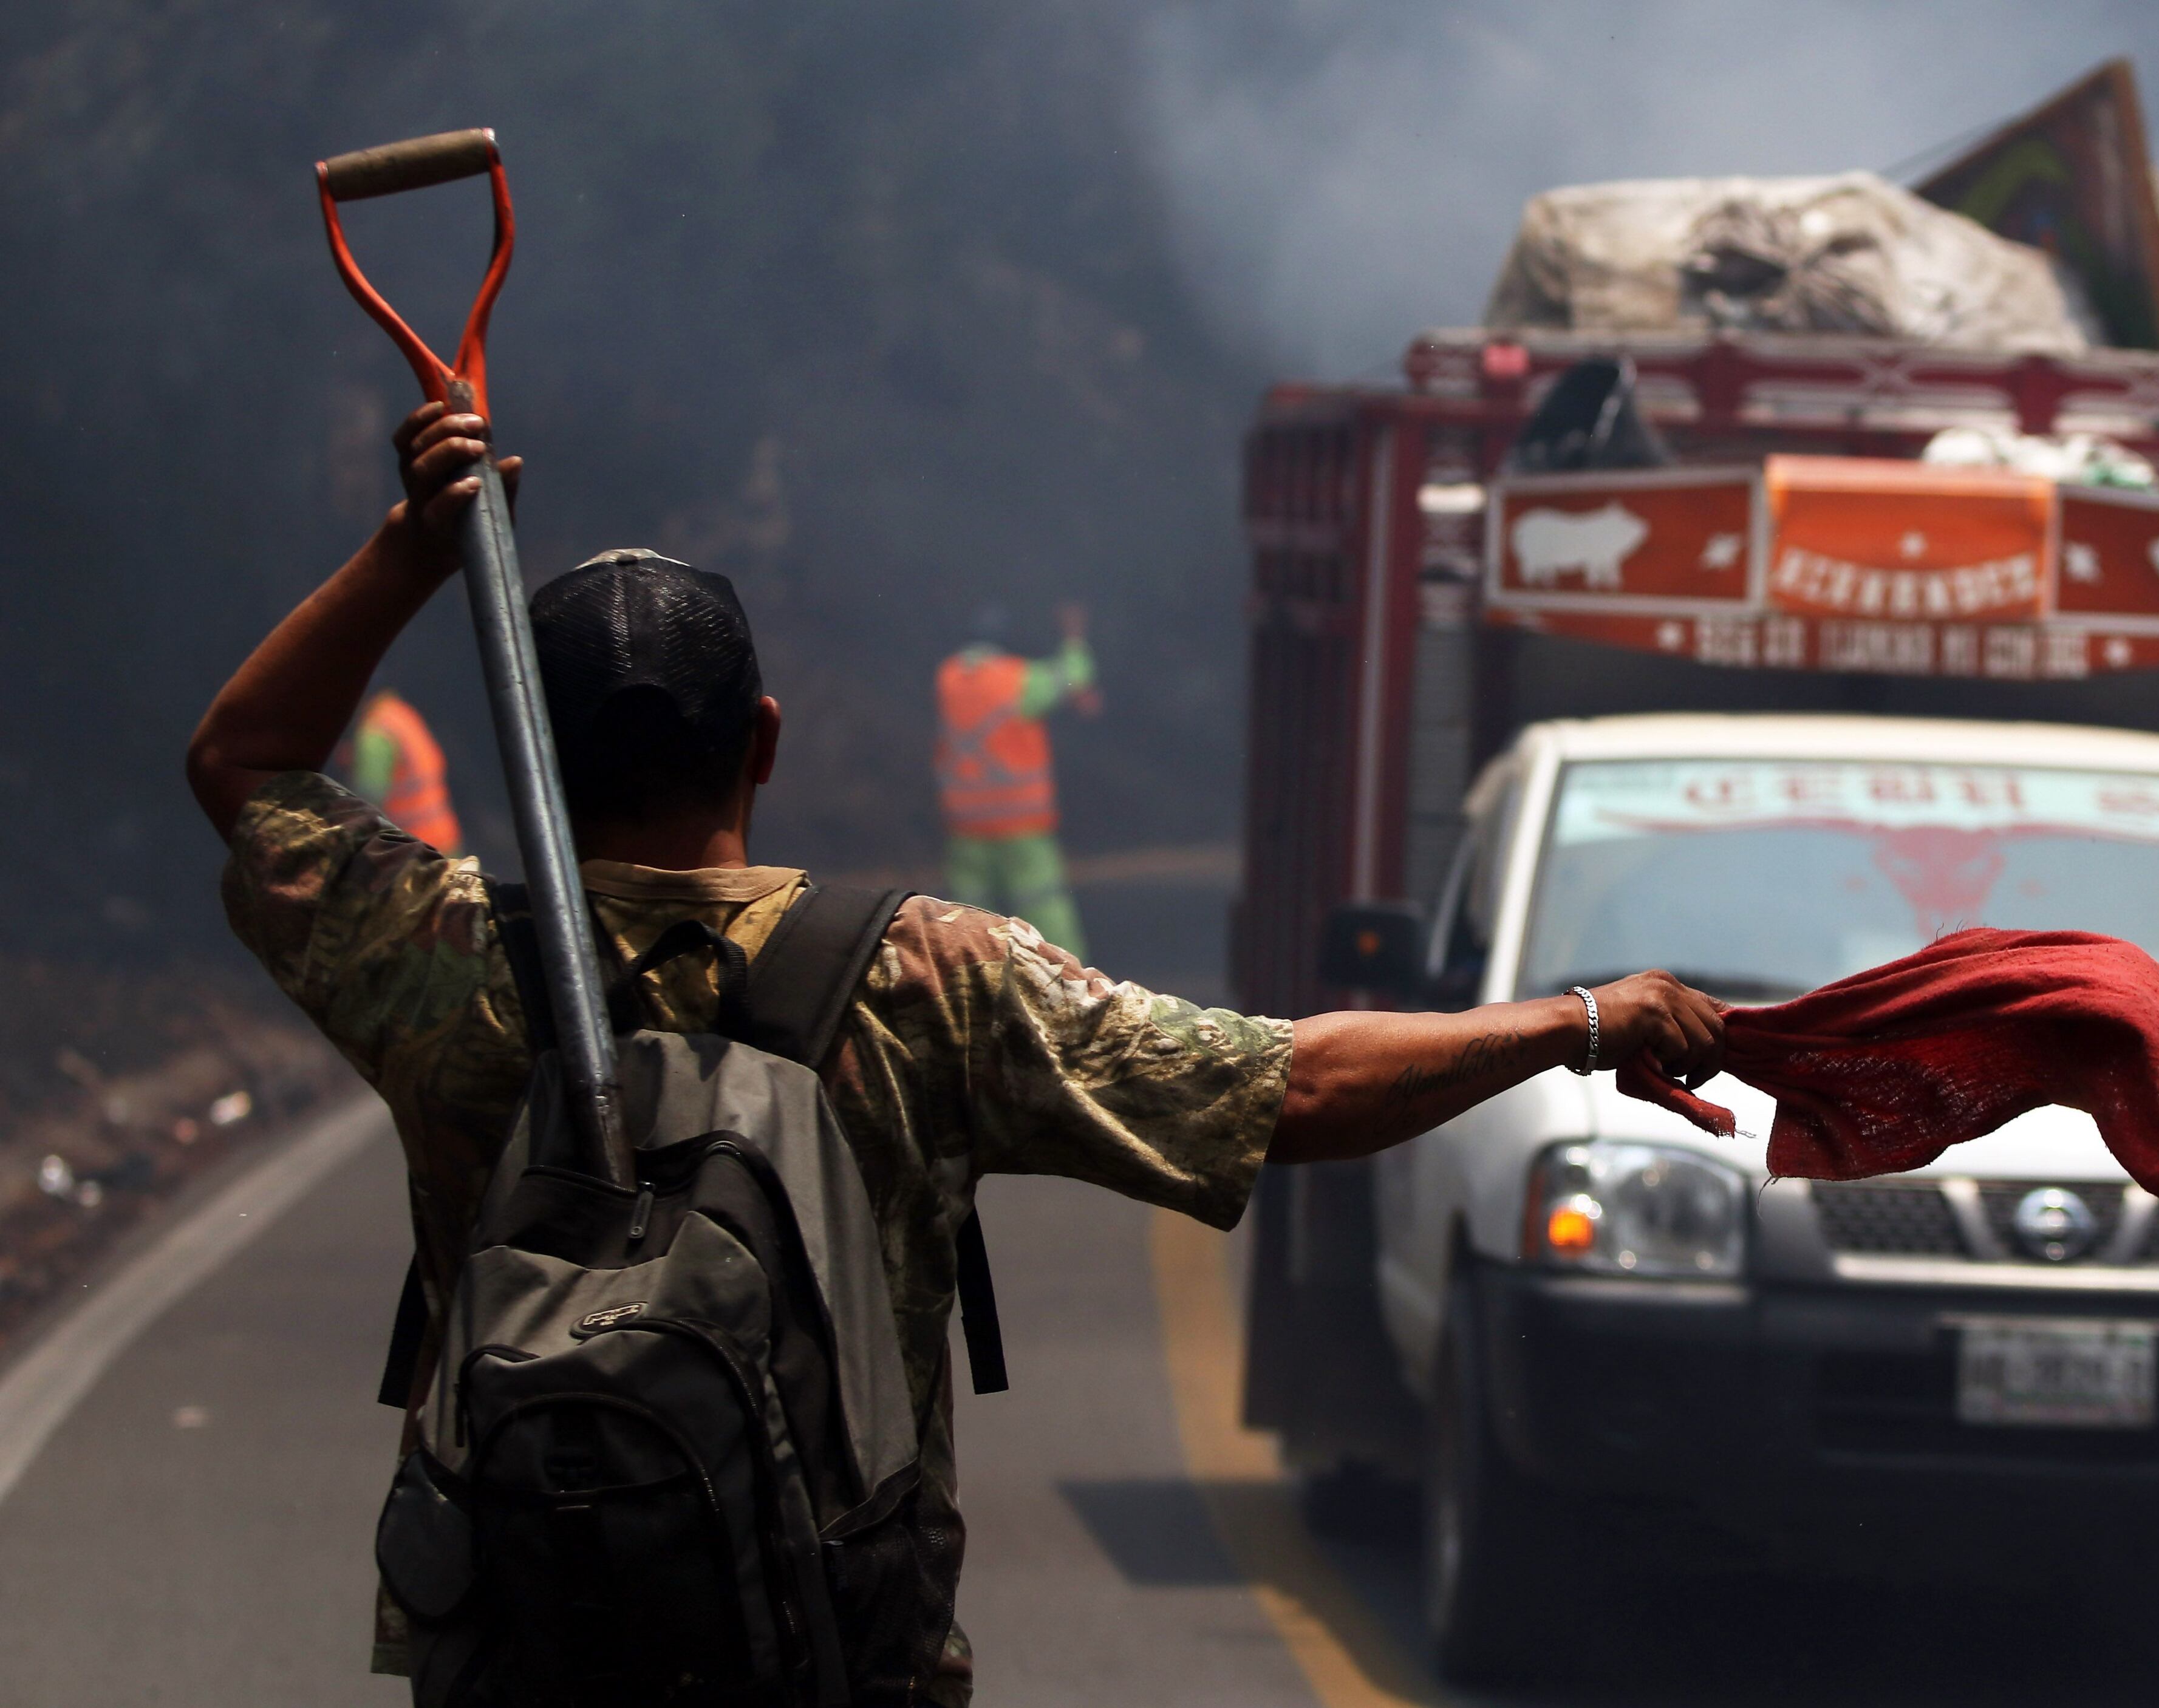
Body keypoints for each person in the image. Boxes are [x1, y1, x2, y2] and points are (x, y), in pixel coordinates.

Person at [184, 401, 1727, 1706]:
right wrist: (1576, 1020)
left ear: (541, 754)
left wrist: (413, 539)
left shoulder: (441, 955)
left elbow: (244, 759)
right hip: (837, 1655)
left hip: (518, 1648)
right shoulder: (925, 974)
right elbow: (1286, 1085)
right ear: (767, 739)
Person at [936, 605, 1097, 954]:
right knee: (1044, 909)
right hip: (1019, 823)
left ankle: (965, 982)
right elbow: (1074, 675)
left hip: (966, 824)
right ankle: (1070, 984)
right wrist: (1074, 639)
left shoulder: (948, 677)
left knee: (965, 917)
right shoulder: (1017, 679)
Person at [344, 687, 462, 854]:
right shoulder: (399, 712)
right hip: (444, 839)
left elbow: (367, 797)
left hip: (414, 852)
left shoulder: (375, 733)